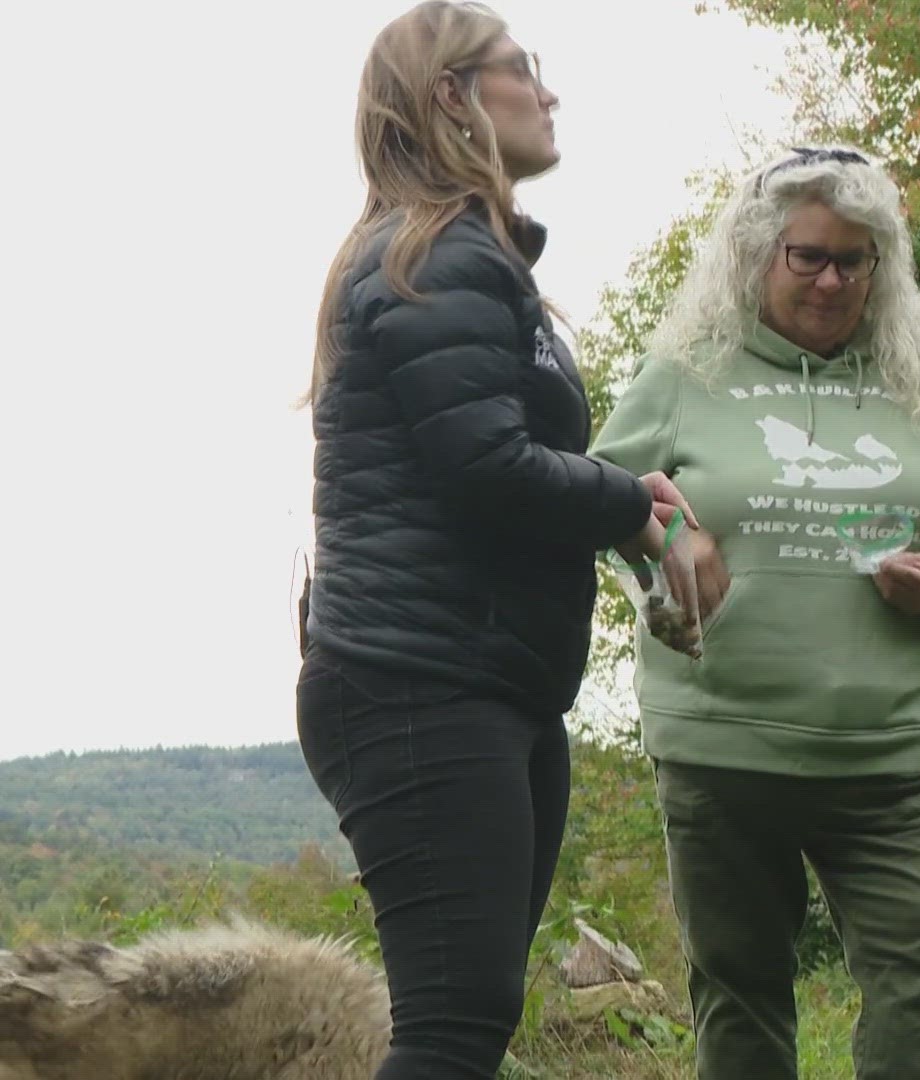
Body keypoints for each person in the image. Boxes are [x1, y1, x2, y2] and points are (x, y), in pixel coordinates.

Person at [294, 4, 692, 1076]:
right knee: (453, 1026)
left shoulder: (463, 257)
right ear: (449, 95)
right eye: (523, 70)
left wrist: (616, 503)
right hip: (421, 683)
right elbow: (485, 468)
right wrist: (628, 503)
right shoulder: (437, 256)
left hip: (482, 680)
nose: (548, 92)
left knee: (470, 1021)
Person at [589, 145, 920, 1079]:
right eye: (808, 256)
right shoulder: (686, 371)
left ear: (882, 267)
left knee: (919, 975)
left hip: (885, 756)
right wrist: (664, 546)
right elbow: (595, 498)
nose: (831, 279)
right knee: (741, 994)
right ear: (758, 254)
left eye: (853, 261)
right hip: (720, 749)